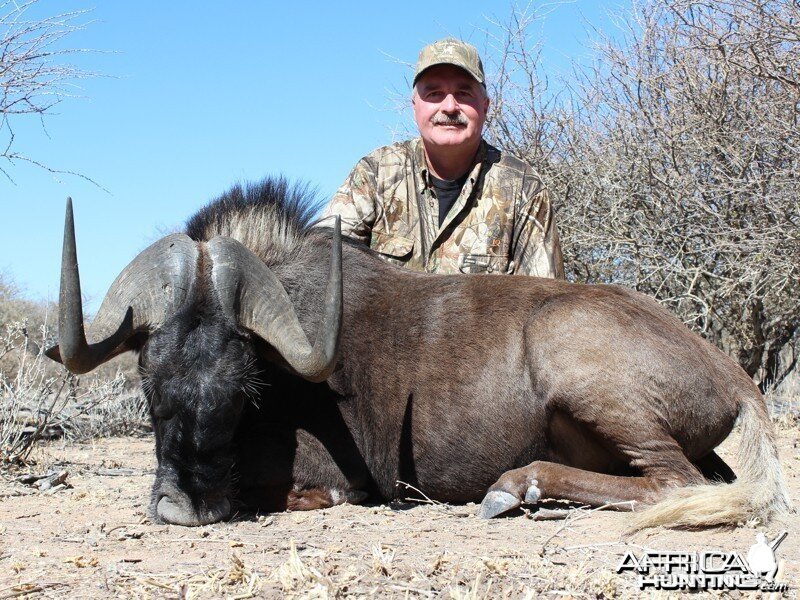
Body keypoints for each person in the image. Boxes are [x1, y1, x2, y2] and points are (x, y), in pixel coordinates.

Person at [320, 37, 564, 278]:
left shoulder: (524, 188)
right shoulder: (376, 174)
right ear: (415, 106)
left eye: (463, 93)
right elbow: (320, 264)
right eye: (435, 93)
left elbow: (546, 304)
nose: (449, 107)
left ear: (485, 107)